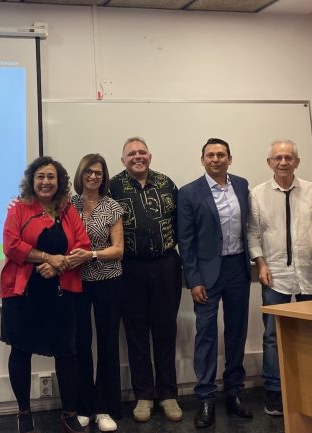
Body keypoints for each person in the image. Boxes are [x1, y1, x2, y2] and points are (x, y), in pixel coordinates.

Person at [0, 156, 91, 433]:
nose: (45, 182)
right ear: (32, 181)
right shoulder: (19, 208)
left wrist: (58, 264)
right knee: (21, 351)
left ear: (59, 182)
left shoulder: (67, 209)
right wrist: (47, 257)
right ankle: (24, 413)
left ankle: (69, 413)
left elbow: (83, 244)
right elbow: (11, 245)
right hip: (24, 293)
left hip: (61, 291)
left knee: (67, 352)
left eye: (51, 176)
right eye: (40, 176)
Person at [177, 138, 253, 429]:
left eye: (221, 154)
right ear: (202, 160)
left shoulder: (242, 185)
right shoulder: (189, 192)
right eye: (210, 155)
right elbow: (186, 241)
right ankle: (206, 398)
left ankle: (234, 392)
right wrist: (193, 279)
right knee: (206, 334)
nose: (216, 159)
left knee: (236, 332)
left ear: (229, 159)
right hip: (206, 274)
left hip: (237, 269)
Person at [108, 137, 183, 423]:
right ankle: (144, 396)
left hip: (166, 265)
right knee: (136, 331)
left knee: (166, 330)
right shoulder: (113, 187)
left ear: (150, 156)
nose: (137, 157)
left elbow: (181, 224)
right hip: (130, 268)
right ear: (123, 160)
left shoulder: (166, 183)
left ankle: (168, 394)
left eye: (142, 152)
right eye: (131, 154)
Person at [247, 139, 312, 416]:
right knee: (272, 334)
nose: (283, 162)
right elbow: (253, 232)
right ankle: (275, 390)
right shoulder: (258, 194)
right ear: (269, 163)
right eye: (278, 158)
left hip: (310, 274)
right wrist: (260, 263)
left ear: (297, 162)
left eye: (289, 157)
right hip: (274, 274)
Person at [66, 154, 124, 432]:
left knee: (108, 343)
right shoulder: (68, 205)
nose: (93, 176)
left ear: (104, 177)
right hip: (77, 282)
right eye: (88, 171)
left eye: (98, 173)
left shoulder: (112, 206)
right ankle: (84, 407)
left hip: (107, 281)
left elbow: (118, 250)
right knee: (80, 344)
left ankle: (104, 408)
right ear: (80, 174)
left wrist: (90, 254)